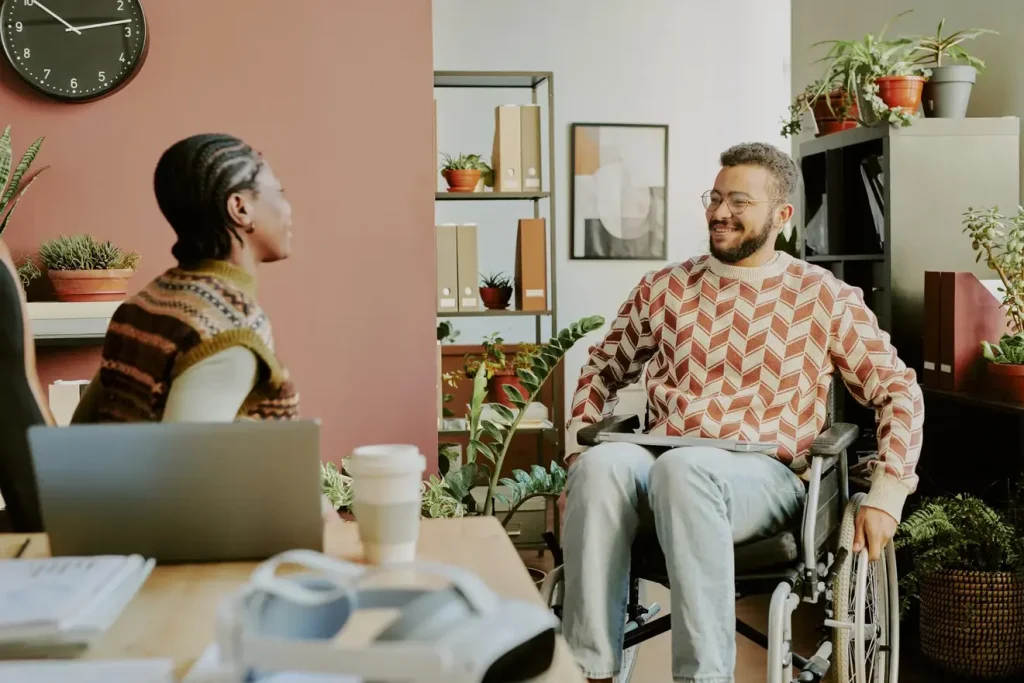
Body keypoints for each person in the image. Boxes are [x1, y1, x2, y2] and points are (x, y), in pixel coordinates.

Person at [561, 142, 924, 683]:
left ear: (781, 215)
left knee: (684, 470)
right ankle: (588, 670)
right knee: (600, 465)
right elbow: (601, 369)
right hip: (665, 457)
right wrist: (575, 451)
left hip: (765, 473)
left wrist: (887, 493)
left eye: (738, 201)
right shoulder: (664, 288)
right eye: (714, 197)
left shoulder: (823, 296)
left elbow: (897, 389)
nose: (718, 212)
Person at [73, 133, 298, 425]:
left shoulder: (148, 302)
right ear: (240, 208)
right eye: (279, 192)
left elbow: (84, 427)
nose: (288, 209)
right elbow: (187, 467)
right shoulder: (228, 330)